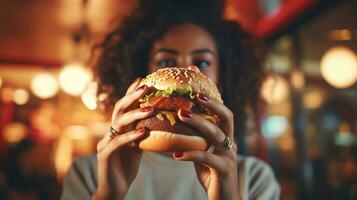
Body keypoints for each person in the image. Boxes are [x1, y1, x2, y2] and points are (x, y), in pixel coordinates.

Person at [61, 1, 280, 199]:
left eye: (202, 63)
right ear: (141, 73)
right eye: (166, 61)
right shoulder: (89, 173)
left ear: (222, 79)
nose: (185, 69)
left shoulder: (255, 178)